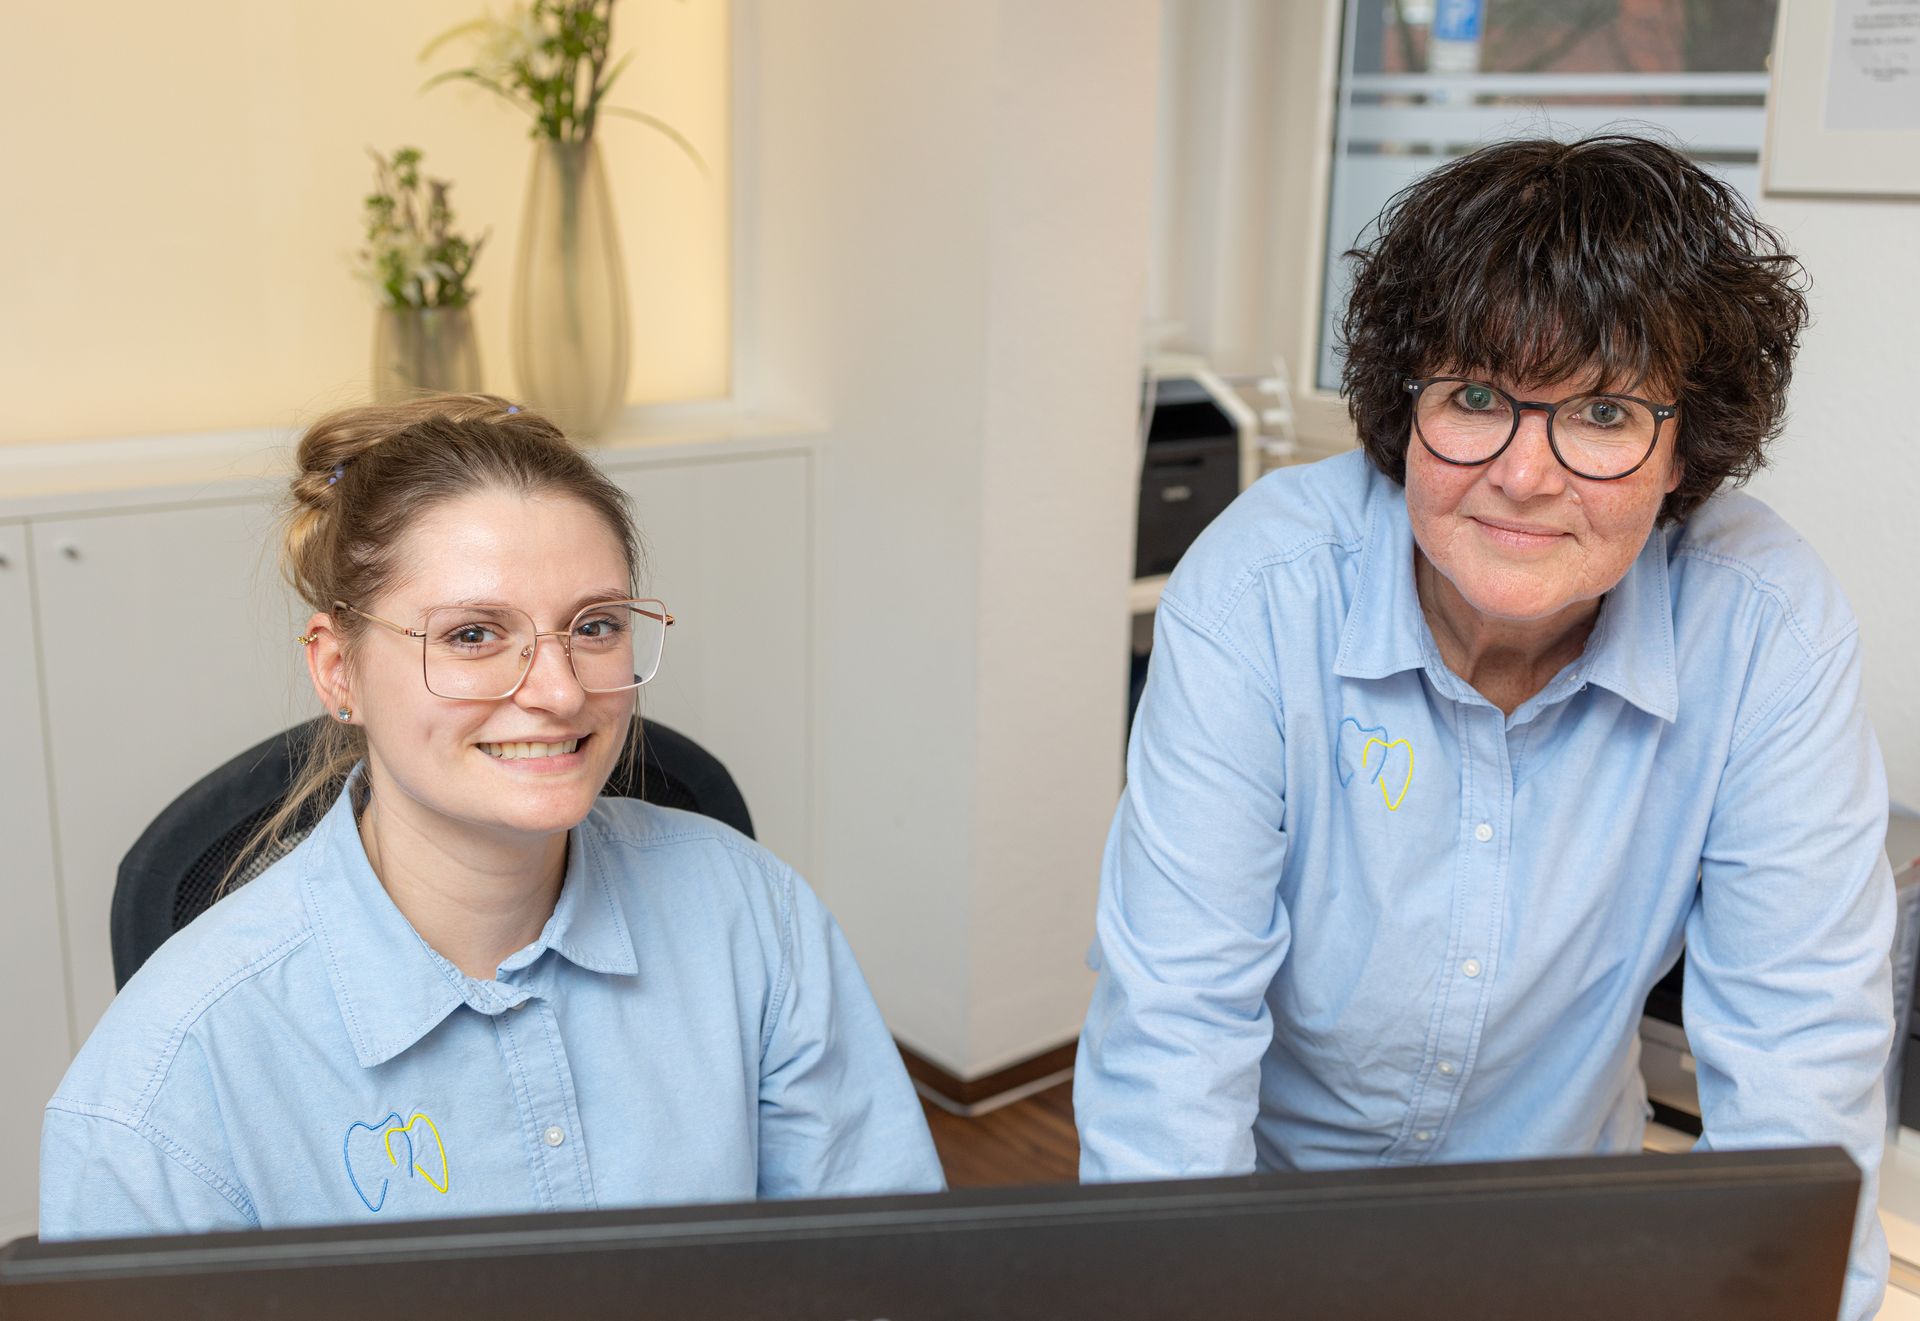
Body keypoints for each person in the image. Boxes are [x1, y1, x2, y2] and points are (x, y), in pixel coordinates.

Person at [1075, 135, 1895, 1319]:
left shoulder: (1767, 624)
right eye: (1474, 398)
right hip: (1262, 1239)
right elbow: (1174, 1035)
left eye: (1604, 412)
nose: (1524, 475)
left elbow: (1801, 1058)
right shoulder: (1260, 590)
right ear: (1400, 408)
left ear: (1687, 451)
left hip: (1564, 1249)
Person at [42, 395, 942, 1237]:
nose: (557, 692)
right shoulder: (164, 1078)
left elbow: (884, 1271)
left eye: (594, 625)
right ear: (338, 670)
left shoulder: (755, 917)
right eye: (472, 634)